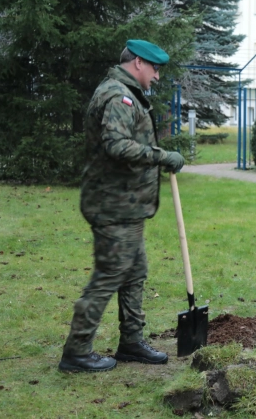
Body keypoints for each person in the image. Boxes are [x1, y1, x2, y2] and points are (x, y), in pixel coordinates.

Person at [58, 40, 186, 373]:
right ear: (140, 63)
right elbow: (116, 145)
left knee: (134, 273)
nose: (157, 77)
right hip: (112, 205)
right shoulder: (118, 96)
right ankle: (77, 351)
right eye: (155, 69)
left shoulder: (123, 92)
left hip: (126, 205)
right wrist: (162, 157)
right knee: (109, 275)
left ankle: (131, 342)